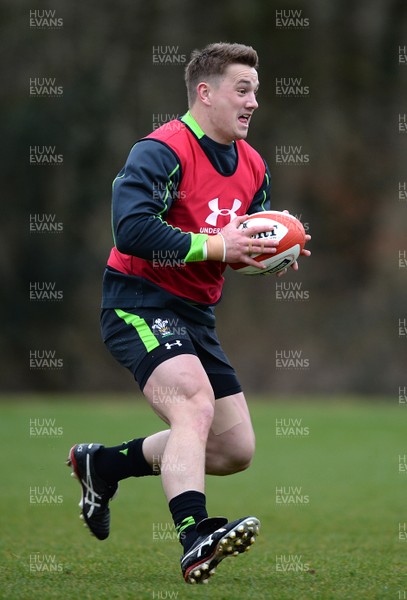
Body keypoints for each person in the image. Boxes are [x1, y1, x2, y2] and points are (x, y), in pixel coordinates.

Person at [67, 42, 310, 584]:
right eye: (241, 90)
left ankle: (102, 465)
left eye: (256, 92)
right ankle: (195, 535)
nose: (252, 103)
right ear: (206, 93)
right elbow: (132, 229)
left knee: (233, 448)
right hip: (137, 300)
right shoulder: (161, 150)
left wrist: (276, 253)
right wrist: (218, 248)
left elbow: (242, 238)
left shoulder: (253, 165)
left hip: (196, 314)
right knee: (194, 406)